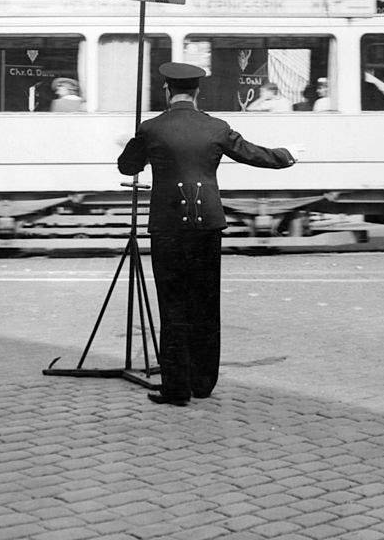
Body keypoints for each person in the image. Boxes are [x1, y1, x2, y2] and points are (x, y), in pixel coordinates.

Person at [117, 62, 301, 406]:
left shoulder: (152, 128)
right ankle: (203, 382)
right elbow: (252, 154)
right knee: (205, 303)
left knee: (172, 305)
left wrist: (136, 140)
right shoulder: (216, 127)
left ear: (166, 91)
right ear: (197, 92)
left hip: (168, 226)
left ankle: (176, 387)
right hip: (206, 225)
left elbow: (127, 166)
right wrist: (285, 157)